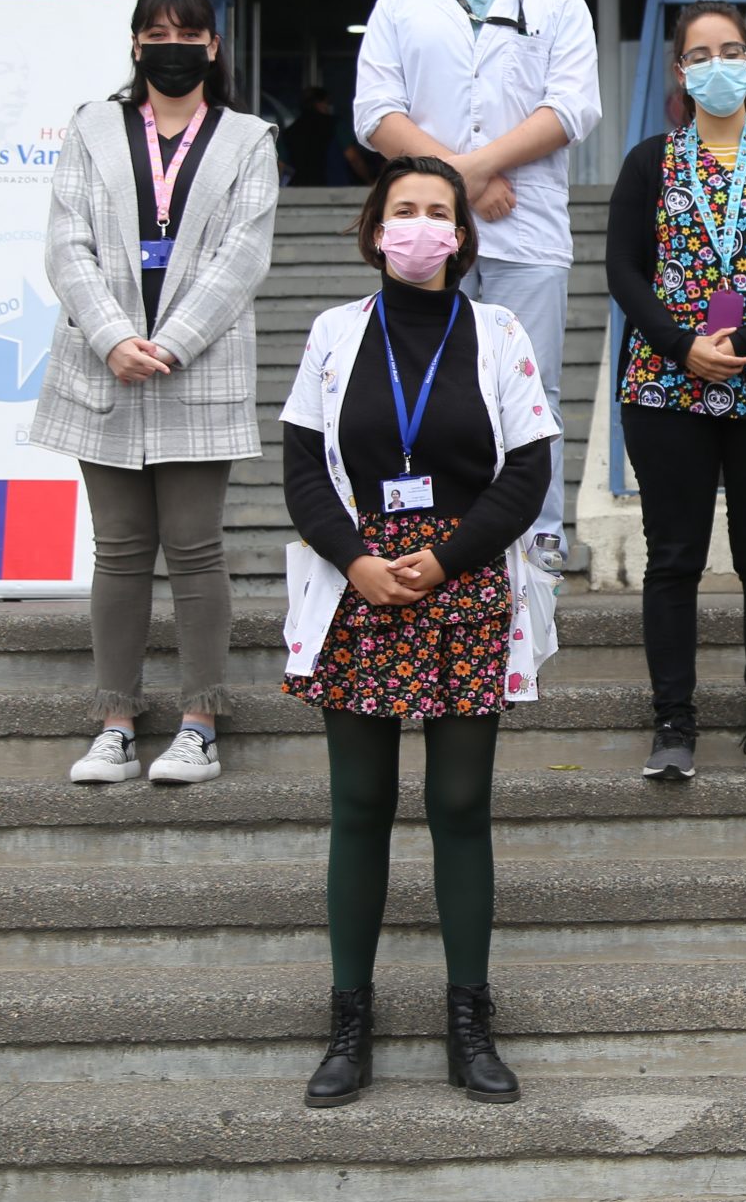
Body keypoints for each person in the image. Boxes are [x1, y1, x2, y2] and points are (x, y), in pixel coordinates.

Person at [278, 154, 560, 1109]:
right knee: (358, 804)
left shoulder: (498, 330)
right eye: (404, 209)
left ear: (461, 233)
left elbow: (526, 471)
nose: (422, 224)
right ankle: (348, 1021)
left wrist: (444, 561)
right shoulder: (331, 333)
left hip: (465, 583)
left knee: (459, 805)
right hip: (360, 586)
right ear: (373, 228)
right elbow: (304, 469)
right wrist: (358, 562)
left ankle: (469, 1021)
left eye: (439, 211)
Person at [31, 0, 278, 787]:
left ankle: (200, 723)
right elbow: (67, 242)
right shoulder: (92, 127)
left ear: (212, 46)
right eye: (156, 32)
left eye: (188, 32)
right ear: (137, 44)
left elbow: (243, 255)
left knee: (196, 548)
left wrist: (166, 341)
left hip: (194, 362)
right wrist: (112, 337)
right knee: (120, 549)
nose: (172, 45)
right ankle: (115, 720)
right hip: (102, 365)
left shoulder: (248, 138)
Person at [352, 0, 602, 574]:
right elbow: (377, 112)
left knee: (534, 381)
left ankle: (539, 533)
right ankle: (435, 524)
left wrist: (473, 169)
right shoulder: (401, 5)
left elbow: (572, 106)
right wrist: (460, 184)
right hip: (424, 228)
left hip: (527, 226)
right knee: (422, 377)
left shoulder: (557, 2)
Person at [607, 0, 746, 779]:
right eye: (699, 53)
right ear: (680, 71)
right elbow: (622, 270)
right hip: (666, 384)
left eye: (731, 49)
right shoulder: (650, 162)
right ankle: (674, 723)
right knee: (672, 556)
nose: (717, 64)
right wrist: (682, 346)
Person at [284, 83, 336, 187]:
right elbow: (352, 157)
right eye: (327, 103)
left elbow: (280, 164)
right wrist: (369, 181)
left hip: (298, 190)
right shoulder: (334, 125)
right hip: (332, 189)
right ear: (318, 103)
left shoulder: (290, 131)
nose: (328, 107)